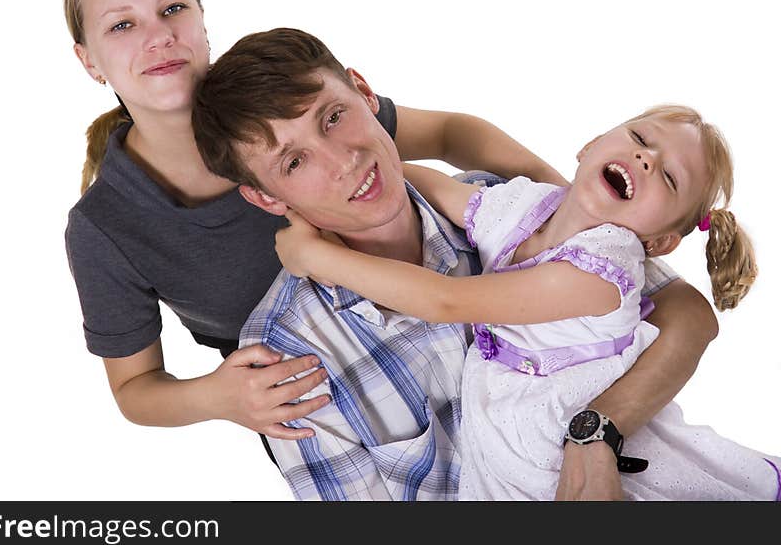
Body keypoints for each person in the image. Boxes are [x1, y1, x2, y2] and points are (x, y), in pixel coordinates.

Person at [63, 0, 565, 455]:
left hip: (459, 320)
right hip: (339, 404)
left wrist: (561, 202)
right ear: (89, 61)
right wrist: (218, 396)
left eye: (172, 8)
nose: (158, 36)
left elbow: (447, 133)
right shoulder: (105, 226)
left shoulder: (278, 106)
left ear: (203, 20)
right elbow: (133, 388)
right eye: (122, 24)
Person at [193, 27, 720, 500]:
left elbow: (688, 313)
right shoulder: (288, 353)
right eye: (294, 161)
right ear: (266, 199)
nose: (344, 160)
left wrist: (598, 431)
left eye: (334, 117)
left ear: (363, 91)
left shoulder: (517, 220)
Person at [277, 103, 781, 500]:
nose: (647, 159)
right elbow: (436, 188)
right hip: (499, 416)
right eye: (640, 138)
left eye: (670, 179)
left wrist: (315, 256)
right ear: (588, 146)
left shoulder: (604, 271)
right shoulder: (529, 204)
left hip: (556, 420)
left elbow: (446, 301)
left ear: (661, 243)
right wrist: (362, 174)